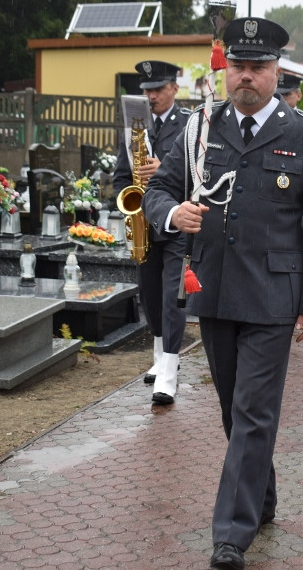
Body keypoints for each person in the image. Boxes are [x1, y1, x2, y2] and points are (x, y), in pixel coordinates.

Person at [142, 17, 303, 570]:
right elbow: (159, 188)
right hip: (213, 288)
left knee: (254, 410)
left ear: (278, 71)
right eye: (238, 67)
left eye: (258, 68)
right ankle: (263, 494)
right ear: (225, 69)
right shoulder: (200, 129)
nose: (246, 78)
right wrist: (171, 212)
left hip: (275, 295)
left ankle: (230, 533)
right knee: (234, 410)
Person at [113, 60, 191, 405]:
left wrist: (166, 168)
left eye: (158, 89)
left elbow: (200, 177)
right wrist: (125, 208)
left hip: (176, 224)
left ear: (174, 88)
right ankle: (159, 358)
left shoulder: (189, 125)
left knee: (174, 297)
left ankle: (170, 374)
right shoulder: (134, 128)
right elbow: (119, 176)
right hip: (144, 225)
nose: (152, 96)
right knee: (150, 294)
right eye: (146, 90)